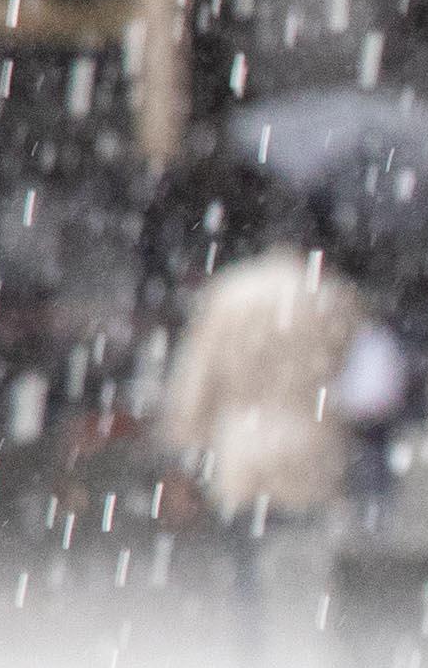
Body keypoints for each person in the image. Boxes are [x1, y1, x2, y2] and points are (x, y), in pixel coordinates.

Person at [157, 228, 394, 611]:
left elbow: (196, 383)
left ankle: (252, 654)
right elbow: (366, 379)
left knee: (247, 569)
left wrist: (183, 453)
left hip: (242, 449)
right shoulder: (333, 296)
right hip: (313, 445)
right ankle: (306, 648)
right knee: (308, 573)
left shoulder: (228, 294)